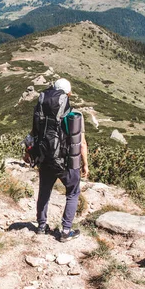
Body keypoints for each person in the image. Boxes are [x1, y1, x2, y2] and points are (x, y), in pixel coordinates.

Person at [29, 78, 89, 242]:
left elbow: (33, 134)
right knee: (73, 192)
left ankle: (41, 226)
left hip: (44, 158)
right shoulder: (73, 115)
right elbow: (81, 143)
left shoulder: (41, 113)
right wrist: (85, 165)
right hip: (65, 161)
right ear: (68, 94)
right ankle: (66, 231)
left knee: (44, 192)